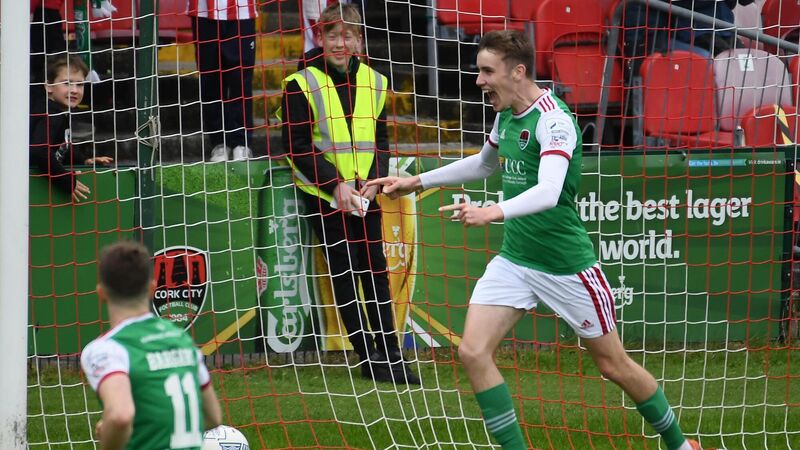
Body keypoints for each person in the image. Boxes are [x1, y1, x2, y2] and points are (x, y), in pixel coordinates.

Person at [367, 30, 703, 450]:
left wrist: (491, 211)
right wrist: (415, 181)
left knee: (612, 365)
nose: (479, 81)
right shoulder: (506, 114)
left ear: (518, 72)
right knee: (472, 351)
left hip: (566, 265)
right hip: (515, 261)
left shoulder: (554, 120)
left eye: (487, 71)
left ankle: (680, 444)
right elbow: (484, 164)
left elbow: (548, 192)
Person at [280, 3, 419, 385]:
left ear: (359, 40)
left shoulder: (376, 81)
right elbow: (295, 145)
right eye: (333, 35)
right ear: (320, 37)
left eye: (348, 35)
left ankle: (391, 352)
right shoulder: (300, 83)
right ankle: (367, 354)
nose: (340, 43)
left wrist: (374, 182)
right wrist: (335, 185)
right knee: (344, 270)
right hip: (325, 194)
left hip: (366, 193)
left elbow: (381, 140)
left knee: (375, 268)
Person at [80, 241, 223, 449]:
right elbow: (213, 417)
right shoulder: (182, 340)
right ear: (152, 289)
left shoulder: (107, 349)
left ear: (101, 294)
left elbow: (120, 416)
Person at [29, 55, 114, 203]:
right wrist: (67, 181)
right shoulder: (50, 113)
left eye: (80, 84)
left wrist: (83, 161)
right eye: (67, 83)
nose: (74, 90)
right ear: (49, 86)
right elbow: (39, 150)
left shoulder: (57, 111)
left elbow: (61, 146)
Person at [188, 0, 257, 162]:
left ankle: (241, 142)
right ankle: (218, 142)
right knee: (210, 80)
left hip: (242, 12)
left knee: (240, 80)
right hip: (204, 13)